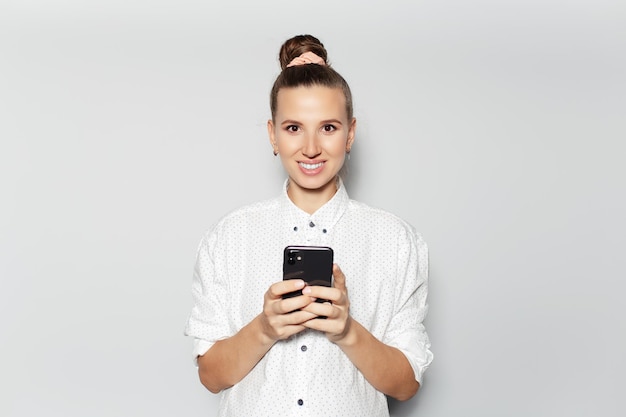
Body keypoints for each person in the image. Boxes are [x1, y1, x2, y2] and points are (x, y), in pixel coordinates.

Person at [184, 34, 433, 417]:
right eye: (294, 128)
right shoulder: (230, 237)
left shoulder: (396, 240)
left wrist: (347, 331)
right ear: (273, 135)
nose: (311, 147)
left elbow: (405, 385)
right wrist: (265, 328)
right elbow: (211, 377)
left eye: (329, 128)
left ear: (350, 133)